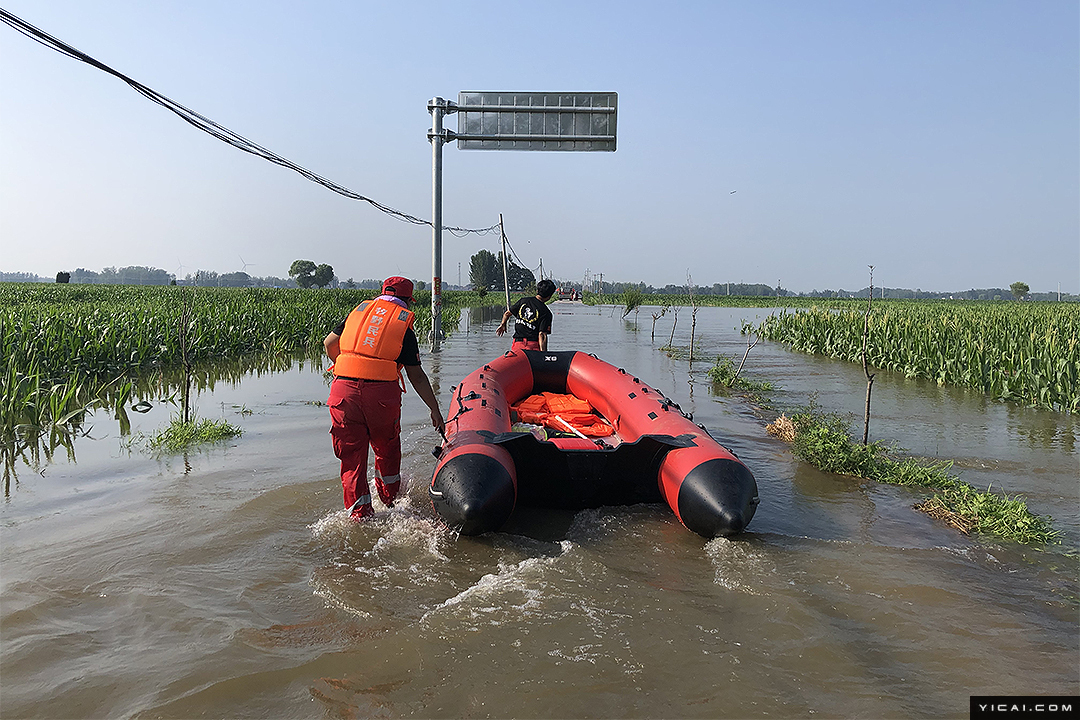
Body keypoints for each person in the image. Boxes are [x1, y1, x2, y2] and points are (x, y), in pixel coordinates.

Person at [323, 276, 445, 521]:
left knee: (351, 459)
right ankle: (390, 502)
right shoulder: (402, 327)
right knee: (386, 449)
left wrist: (346, 366)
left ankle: (359, 516)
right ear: (407, 301)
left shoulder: (357, 314)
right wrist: (435, 410)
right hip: (380, 396)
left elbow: (329, 343)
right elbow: (417, 376)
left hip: (342, 393)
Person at [496, 279, 556, 352]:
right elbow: (542, 335)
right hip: (532, 346)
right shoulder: (546, 312)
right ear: (550, 296)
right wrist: (544, 356)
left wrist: (503, 324)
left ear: (537, 291)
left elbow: (507, 313)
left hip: (517, 344)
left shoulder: (523, 301)